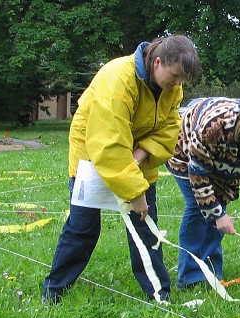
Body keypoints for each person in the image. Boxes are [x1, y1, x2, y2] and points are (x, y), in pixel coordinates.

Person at [42, 35, 202, 303]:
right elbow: (108, 144)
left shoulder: (173, 88)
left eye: (181, 80)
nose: (177, 84)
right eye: (174, 76)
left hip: (135, 156)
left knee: (145, 227)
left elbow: (168, 129)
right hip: (92, 154)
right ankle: (54, 291)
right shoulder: (117, 79)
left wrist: (138, 159)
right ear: (158, 62)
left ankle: (158, 295)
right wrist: (135, 192)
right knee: (83, 227)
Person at [166, 97, 240, 288]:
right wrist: (217, 214)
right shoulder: (214, 127)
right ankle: (190, 278)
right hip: (186, 156)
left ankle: (212, 273)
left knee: (218, 215)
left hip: (224, 168)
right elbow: (197, 174)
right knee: (199, 211)